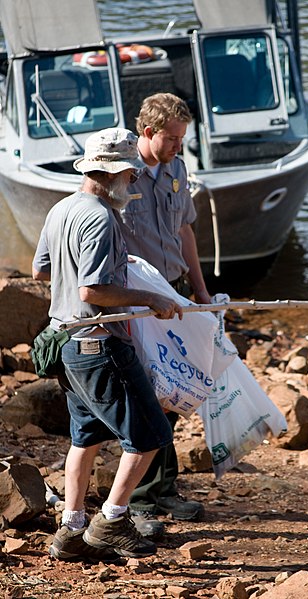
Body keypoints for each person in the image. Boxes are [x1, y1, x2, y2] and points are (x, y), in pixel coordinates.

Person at [32, 127, 183, 562]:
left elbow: (42, 270)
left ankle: (71, 528)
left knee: (87, 437)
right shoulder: (99, 217)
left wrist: (111, 271)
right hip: (98, 343)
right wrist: (150, 297)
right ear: (114, 172)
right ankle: (112, 521)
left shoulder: (62, 208)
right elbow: (93, 291)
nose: (134, 182)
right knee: (151, 434)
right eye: (132, 175)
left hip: (66, 343)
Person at [118, 93, 212, 540]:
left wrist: (200, 289)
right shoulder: (120, 172)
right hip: (138, 299)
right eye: (172, 139)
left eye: (182, 139)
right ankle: (135, 501)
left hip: (174, 291)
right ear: (148, 132)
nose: (178, 146)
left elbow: (185, 228)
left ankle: (163, 486)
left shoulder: (176, 167)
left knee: (175, 388)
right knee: (145, 393)